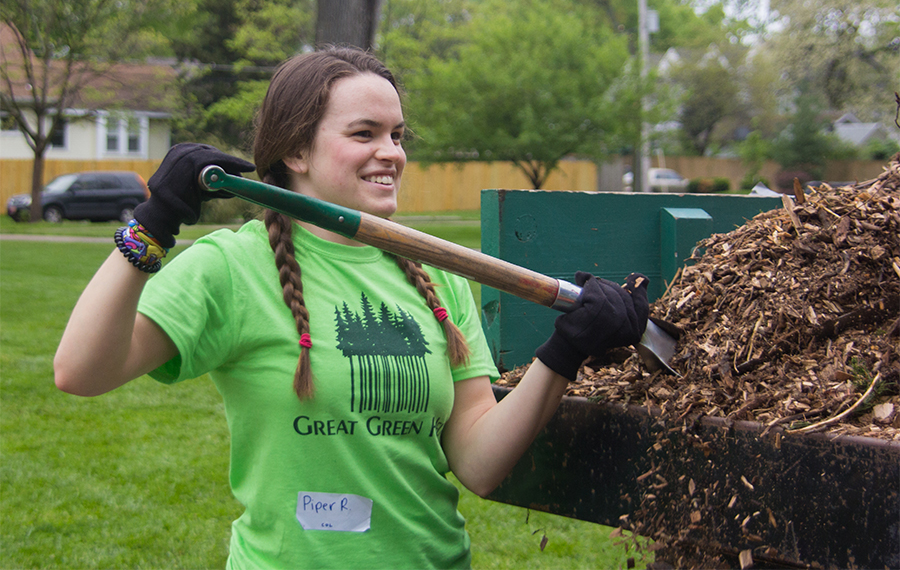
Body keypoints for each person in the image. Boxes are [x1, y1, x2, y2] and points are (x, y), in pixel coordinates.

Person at [54, 47, 649, 570]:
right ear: (295, 151)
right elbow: (81, 370)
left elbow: (478, 463)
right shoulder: (232, 267)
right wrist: (152, 224)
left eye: (397, 135)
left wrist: (564, 350)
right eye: (364, 134)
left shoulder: (441, 273)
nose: (391, 152)